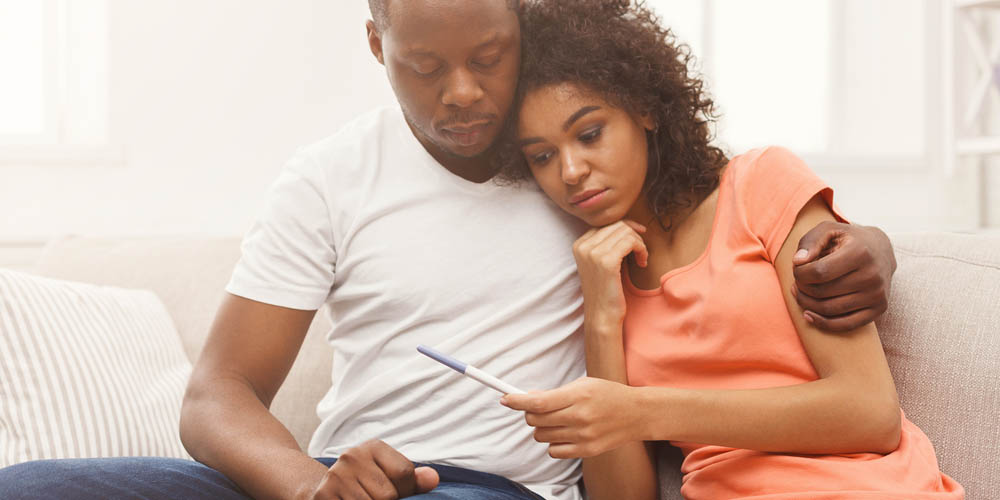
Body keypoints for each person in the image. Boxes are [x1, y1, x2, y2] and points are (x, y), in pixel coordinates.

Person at [0, 1, 900, 499]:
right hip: (334, 482)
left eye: (491, 57)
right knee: (33, 490)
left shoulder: (578, 164)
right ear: (375, 43)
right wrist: (308, 490)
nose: (466, 95)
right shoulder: (332, 178)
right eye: (425, 67)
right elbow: (217, 395)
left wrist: (867, 242)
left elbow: (720, 206)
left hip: (489, 494)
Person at [498, 1, 964, 499]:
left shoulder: (760, 185)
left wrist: (642, 410)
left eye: (590, 134)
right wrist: (601, 318)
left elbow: (870, 413)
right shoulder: (601, 275)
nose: (570, 171)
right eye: (543, 156)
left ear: (645, 109)